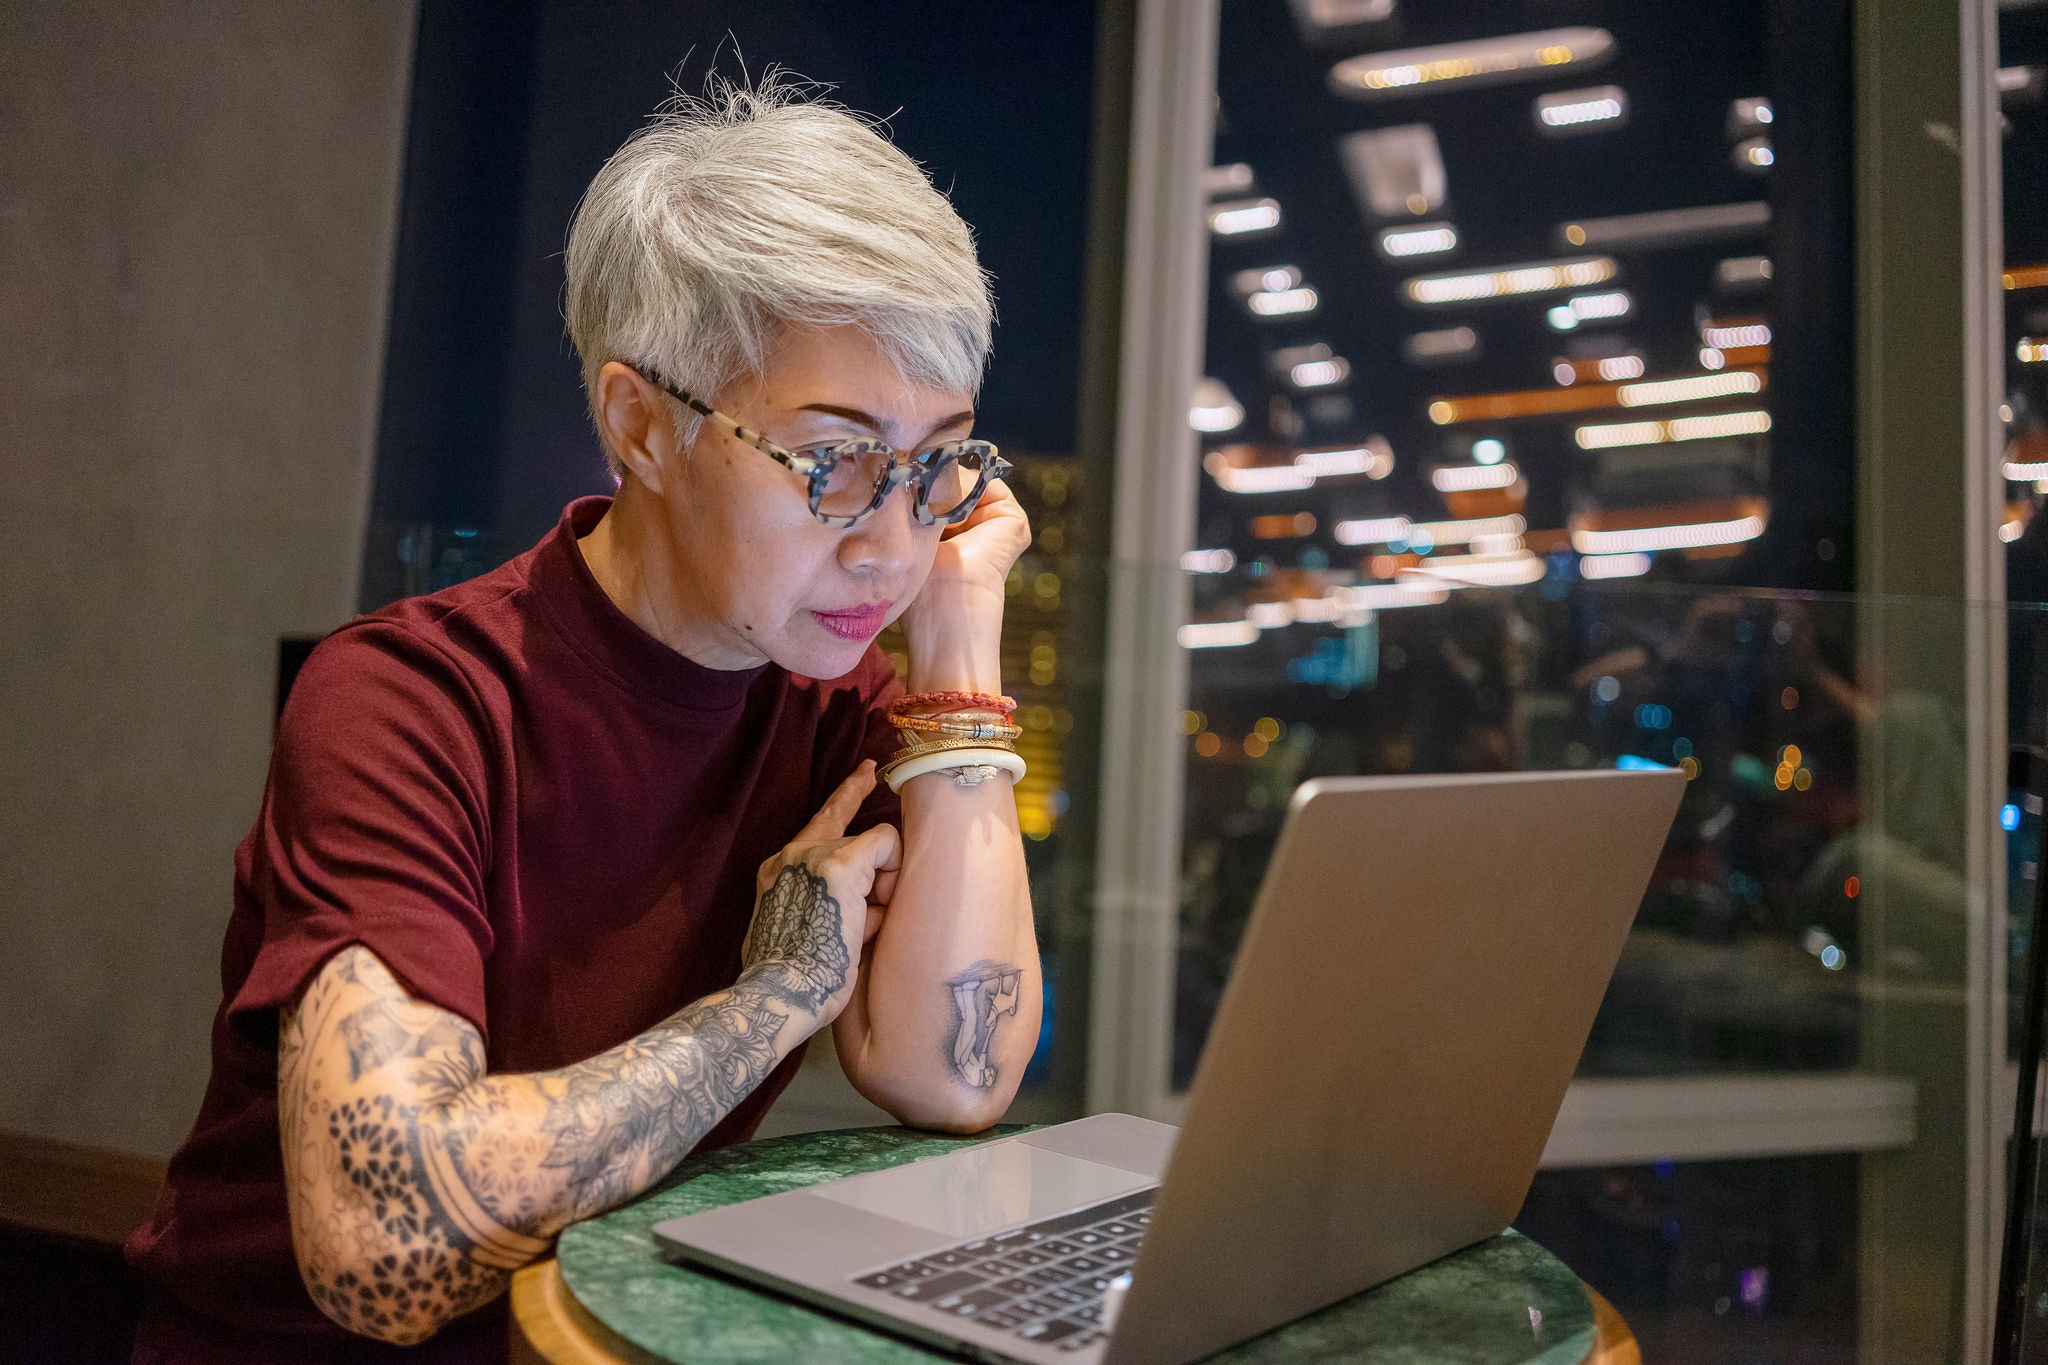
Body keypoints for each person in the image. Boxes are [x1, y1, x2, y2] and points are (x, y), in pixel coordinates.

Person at [126, 76, 1040, 1362]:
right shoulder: (409, 700)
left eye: (937, 465)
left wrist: (956, 652)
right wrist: (779, 993)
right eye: (833, 462)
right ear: (640, 426)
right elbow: (384, 1253)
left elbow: (955, 1074)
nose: (893, 549)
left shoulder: (837, 699)